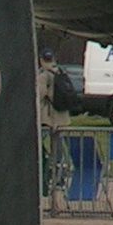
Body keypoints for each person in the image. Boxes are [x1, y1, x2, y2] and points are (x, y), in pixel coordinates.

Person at [36, 48, 69, 191]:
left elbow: (40, 95)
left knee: (38, 145)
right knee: (58, 150)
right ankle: (59, 179)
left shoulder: (44, 75)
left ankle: (45, 177)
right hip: (62, 117)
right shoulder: (61, 72)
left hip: (48, 117)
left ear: (41, 60)